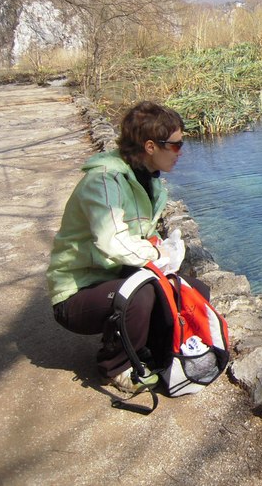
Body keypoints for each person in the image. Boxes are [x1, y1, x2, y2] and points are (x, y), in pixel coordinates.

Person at [47, 101, 208, 393]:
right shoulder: (105, 181)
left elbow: (137, 237)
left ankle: (157, 352)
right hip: (77, 293)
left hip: (113, 278)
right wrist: (160, 254)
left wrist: (158, 246)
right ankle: (115, 366)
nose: (181, 151)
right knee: (142, 293)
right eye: (175, 145)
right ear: (150, 146)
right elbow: (112, 242)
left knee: (190, 288)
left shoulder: (147, 181)